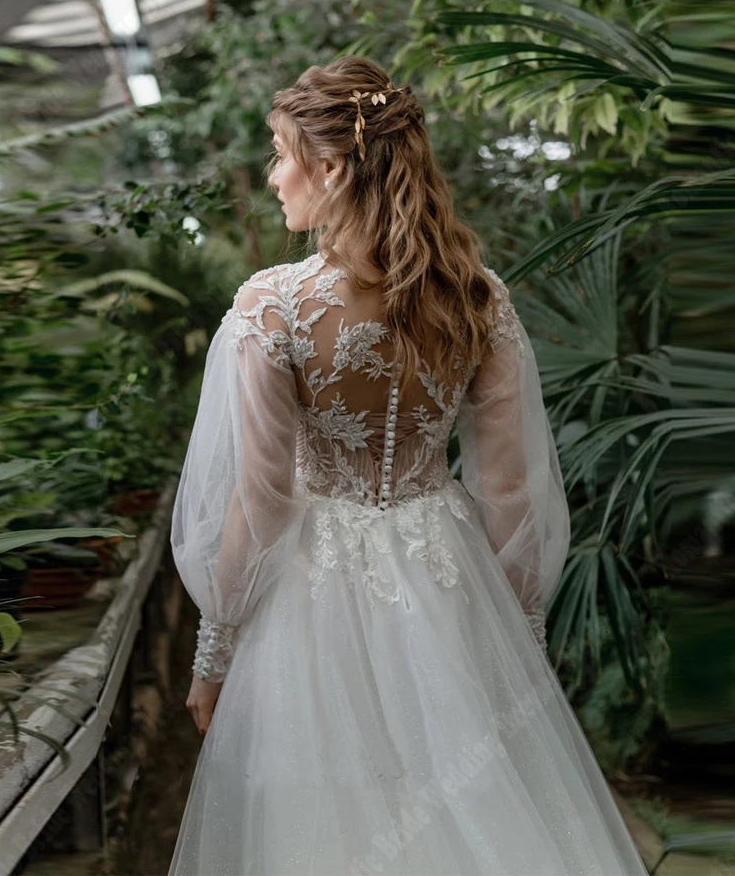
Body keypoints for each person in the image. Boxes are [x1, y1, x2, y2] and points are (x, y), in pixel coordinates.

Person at [168, 56, 649, 875]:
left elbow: (261, 498)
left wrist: (215, 654)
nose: (274, 177)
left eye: (282, 155)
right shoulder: (476, 298)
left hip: (309, 601)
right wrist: (518, 641)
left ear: (331, 167)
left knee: (325, 817)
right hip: (450, 580)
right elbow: (508, 492)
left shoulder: (272, 307)